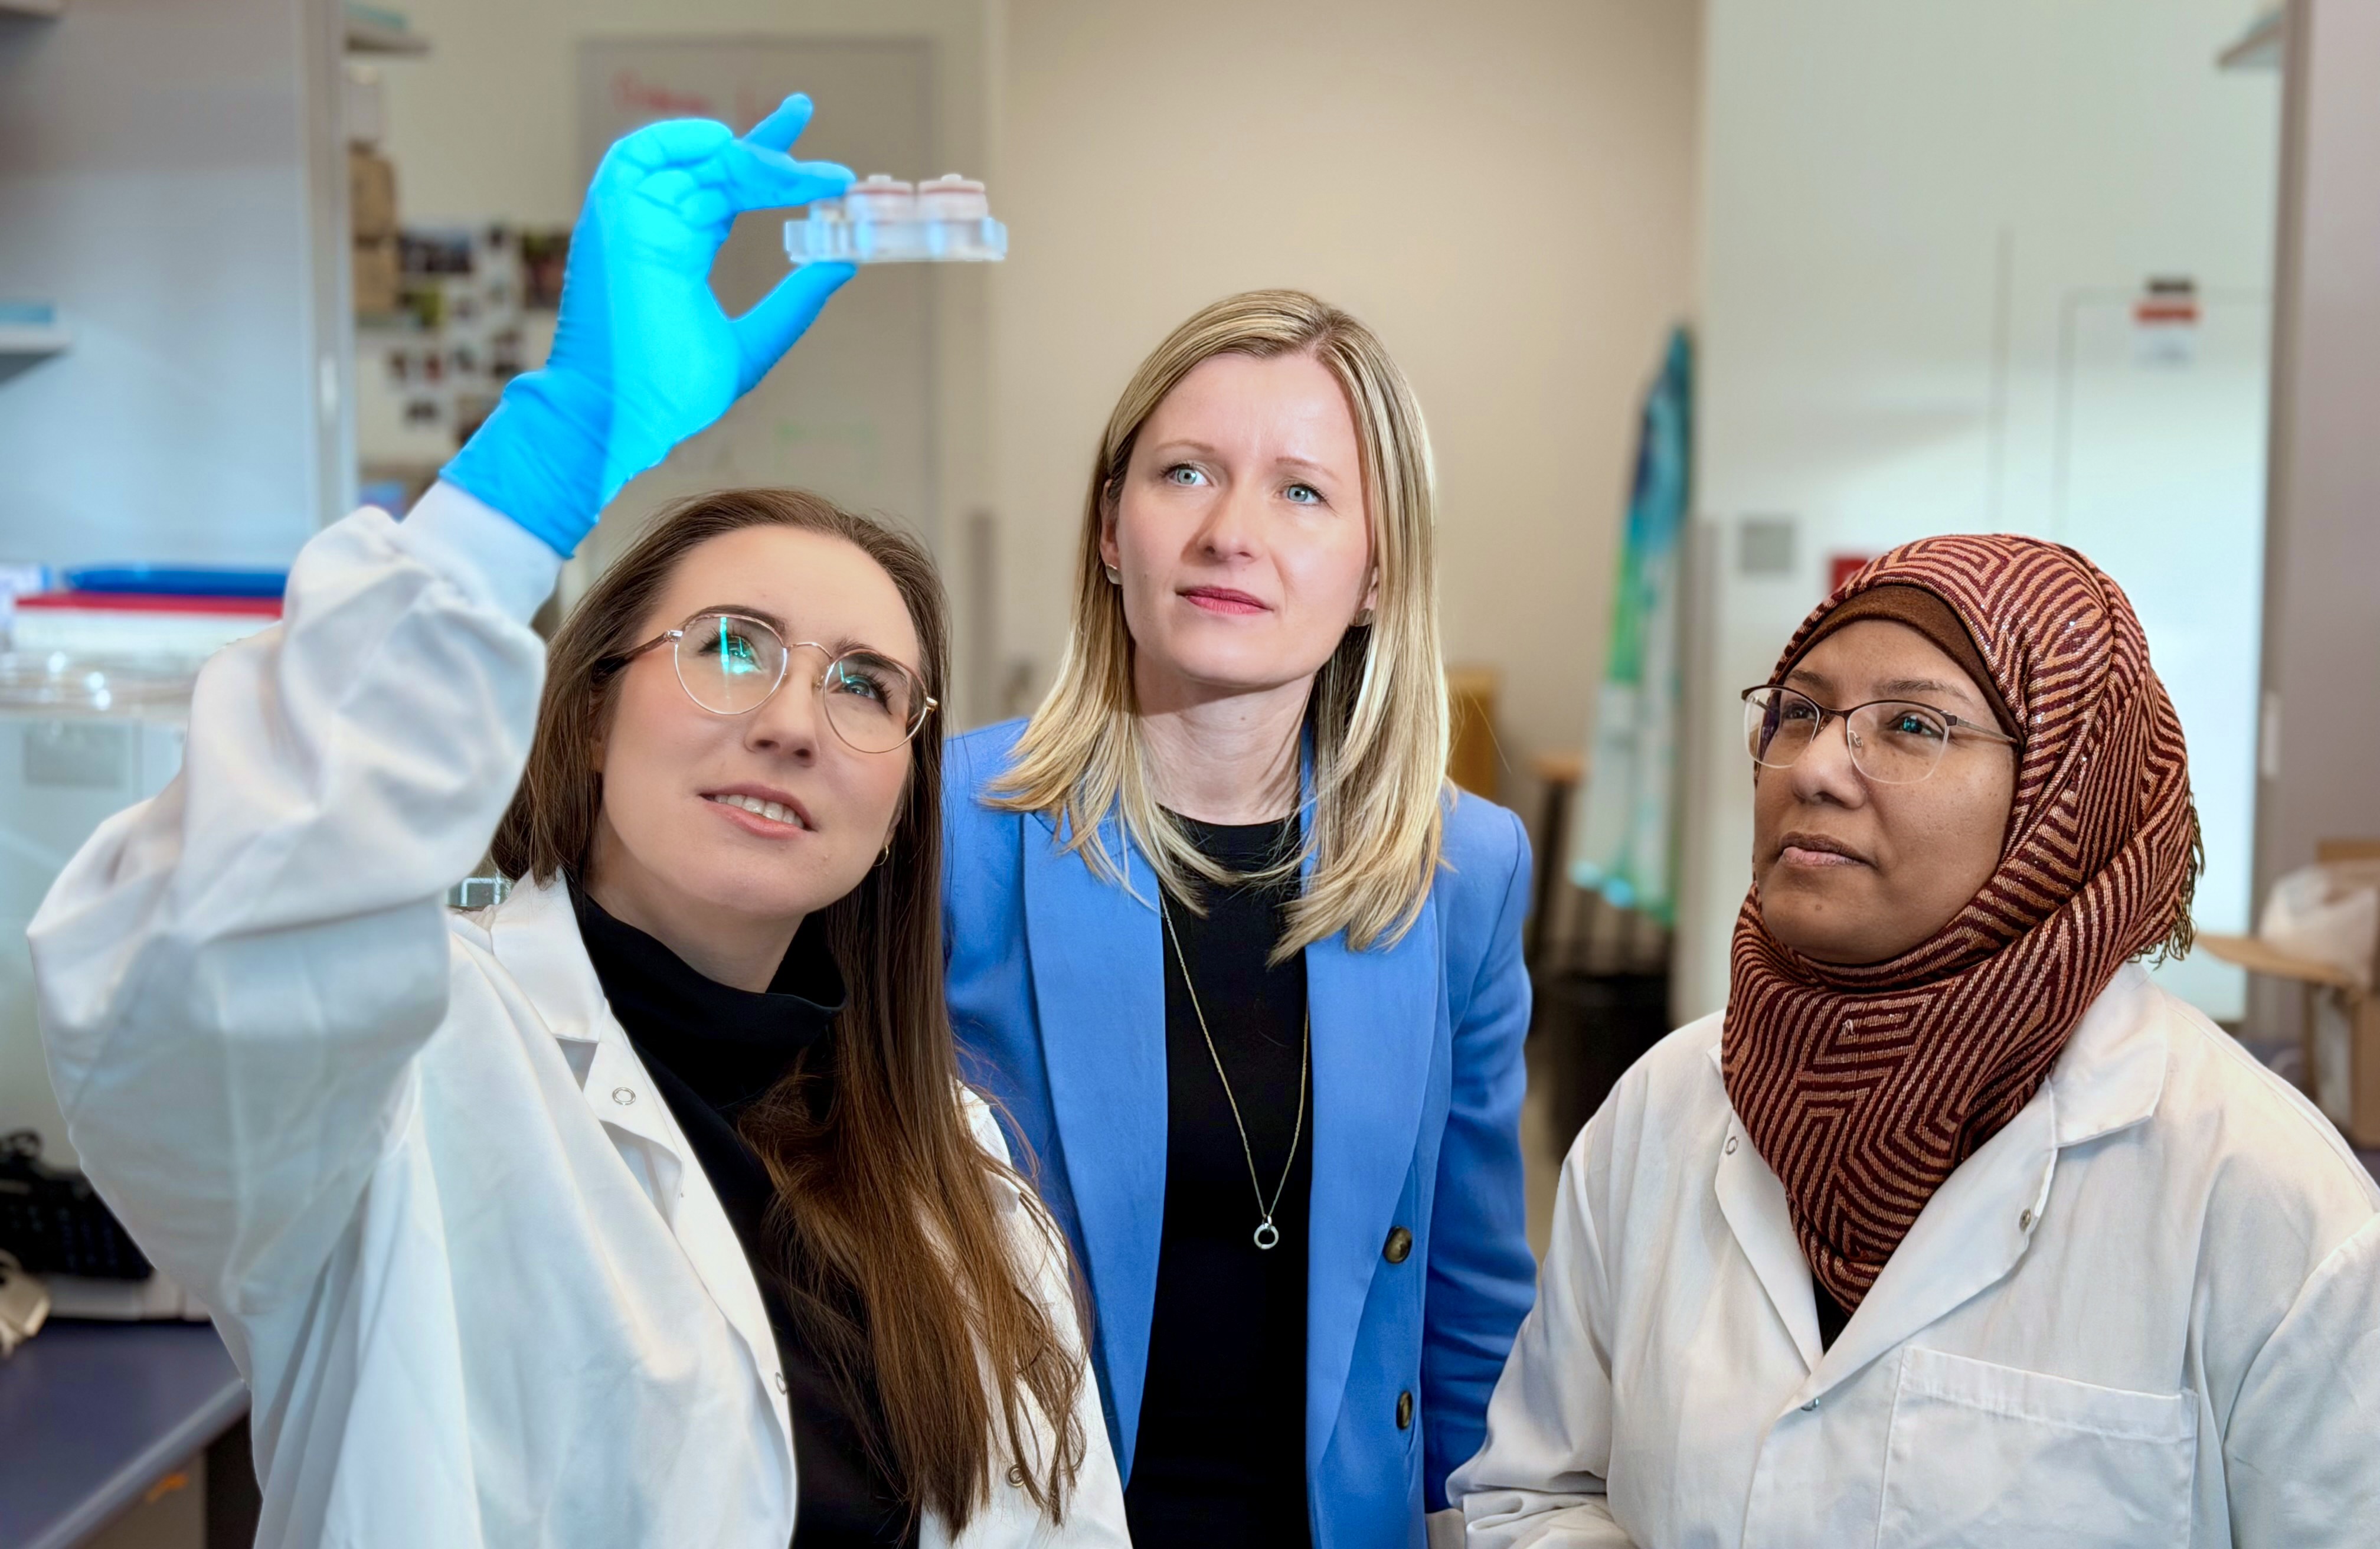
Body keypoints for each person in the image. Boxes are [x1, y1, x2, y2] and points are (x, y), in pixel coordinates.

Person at [30, 97, 1126, 1548]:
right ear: (594, 710)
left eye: (868, 684)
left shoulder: (965, 1180)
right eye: (731, 644)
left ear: (901, 800)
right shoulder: (394, 1075)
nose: (797, 717)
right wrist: (534, 467)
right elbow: (190, 967)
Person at [1450, 535, 2380, 1546]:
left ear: (2064, 801)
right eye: (1798, 711)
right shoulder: (1667, 1105)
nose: (1813, 767)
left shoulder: (2267, 1204)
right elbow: (1535, 1494)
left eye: (1911, 725)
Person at [942, 290, 1538, 1548]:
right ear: (1112, 530)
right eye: (1185, 473)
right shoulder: (947, 825)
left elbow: (1468, 1293)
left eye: (1302, 492)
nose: (1229, 533)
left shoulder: (1463, 871)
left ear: (1379, 573)